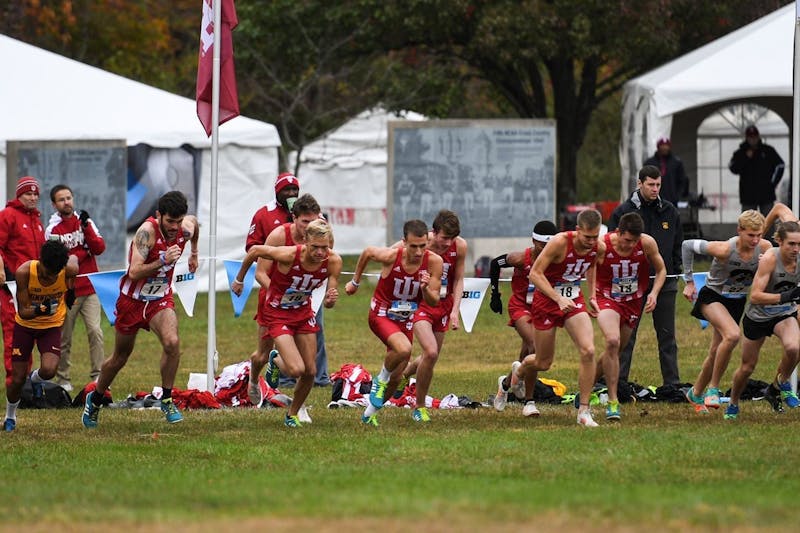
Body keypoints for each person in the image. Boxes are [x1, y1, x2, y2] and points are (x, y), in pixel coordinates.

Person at [81, 191, 199, 428]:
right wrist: (164, 260)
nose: (175, 227)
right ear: (159, 216)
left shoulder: (185, 228)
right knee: (120, 357)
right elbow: (134, 271)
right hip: (132, 301)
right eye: (170, 222)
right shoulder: (147, 233)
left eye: (178, 221)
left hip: (160, 300)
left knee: (172, 342)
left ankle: (166, 399)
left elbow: (195, 225)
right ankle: (94, 399)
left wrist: (193, 252)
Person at [232, 219, 341, 427]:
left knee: (310, 371)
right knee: (296, 370)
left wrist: (330, 299)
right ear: (305, 242)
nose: (320, 253)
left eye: (324, 248)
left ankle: (292, 415)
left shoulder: (334, 261)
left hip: (302, 312)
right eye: (315, 247)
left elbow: (329, 299)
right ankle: (274, 360)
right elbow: (255, 250)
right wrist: (239, 280)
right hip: (277, 313)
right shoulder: (289, 254)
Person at [345, 219, 443, 427]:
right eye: (413, 246)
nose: (418, 252)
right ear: (404, 243)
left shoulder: (434, 262)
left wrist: (425, 288)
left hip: (405, 319)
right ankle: (379, 380)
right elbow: (368, 252)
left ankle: (369, 414)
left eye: (423, 246)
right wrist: (355, 282)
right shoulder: (392, 256)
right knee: (403, 349)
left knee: (398, 377)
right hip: (381, 313)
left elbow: (433, 300)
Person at [513, 209, 602, 427]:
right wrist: (557, 298)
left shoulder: (599, 247)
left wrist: (592, 295)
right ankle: (520, 370)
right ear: (577, 230)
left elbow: (592, 265)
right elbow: (535, 273)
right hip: (546, 301)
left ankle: (584, 411)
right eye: (587, 237)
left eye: (595, 237)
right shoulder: (560, 243)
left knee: (588, 350)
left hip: (573, 300)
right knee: (543, 362)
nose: (591, 242)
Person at [681, 210, 772, 414]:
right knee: (732, 336)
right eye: (750, 235)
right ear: (739, 230)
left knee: (716, 352)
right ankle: (713, 389)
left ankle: (695, 393)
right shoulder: (723, 249)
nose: (755, 240)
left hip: (737, 302)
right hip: (712, 297)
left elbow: (781, 258)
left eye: (759, 235)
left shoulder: (764, 248)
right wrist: (688, 282)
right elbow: (687, 246)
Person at [248, 194, 326, 404]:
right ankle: (255, 378)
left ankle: (298, 408)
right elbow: (261, 274)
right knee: (262, 355)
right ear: (294, 218)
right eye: (305, 222)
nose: (310, 227)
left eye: (314, 221)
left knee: (305, 367)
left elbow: (326, 265)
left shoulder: (322, 236)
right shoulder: (278, 236)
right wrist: (279, 295)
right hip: (272, 301)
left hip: (301, 303)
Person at [609, 165, 683, 386]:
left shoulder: (670, 211)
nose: (655, 189)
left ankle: (672, 384)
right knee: (626, 337)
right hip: (631, 282)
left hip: (665, 281)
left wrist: (675, 270)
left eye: (658, 184)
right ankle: (618, 382)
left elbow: (678, 243)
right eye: (650, 184)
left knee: (667, 336)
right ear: (639, 183)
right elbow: (613, 245)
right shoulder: (622, 212)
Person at [592, 212, 666, 420]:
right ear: (618, 233)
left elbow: (661, 270)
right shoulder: (602, 245)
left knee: (614, 350)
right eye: (626, 241)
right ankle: (613, 402)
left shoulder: (647, 244)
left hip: (633, 302)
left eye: (634, 242)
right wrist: (590, 296)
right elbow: (589, 270)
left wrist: (654, 293)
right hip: (607, 298)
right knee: (612, 341)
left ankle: (586, 388)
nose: (629, 246)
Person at [725, 221, 800, 420]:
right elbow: (755, 296)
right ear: (779, 242)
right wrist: (787, 296)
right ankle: (733, 402)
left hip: (784, 314)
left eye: (799, 244)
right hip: (758, 316)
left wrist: (791, 299)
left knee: (794, 348)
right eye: (791, 244)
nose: (796, 249)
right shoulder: (770, 259)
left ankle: (782, 382)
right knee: (747, 367)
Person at [399, 209, 467, 422]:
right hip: (421, 304)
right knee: (430, 352)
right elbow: (393, 253)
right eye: (445, 238)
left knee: (432, 354)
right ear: (433, 232)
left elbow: (458, 280)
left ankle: (404, 374)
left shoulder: (460, 246)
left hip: (443, 306)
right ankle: (419, 407)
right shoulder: (421, 243)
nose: (448, 243)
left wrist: (455, 311)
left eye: (452, 238)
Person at [4, 240, 78, 431]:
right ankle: (10, 416)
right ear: (40, 261)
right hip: (25, 326)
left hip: (51, 326)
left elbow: (75, 261)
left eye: (52, 275)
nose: (48, 278)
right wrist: (42, 309)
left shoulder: (67, 270)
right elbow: (23, 312)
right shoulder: (25, 272)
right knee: (17, 379)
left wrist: (71, 289)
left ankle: (35, 380)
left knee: (49, 370)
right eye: (45, 273)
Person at [489, 220, 558, 413]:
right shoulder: (521, 259)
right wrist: (495, 295)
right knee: (535, 346)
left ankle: (508, 381)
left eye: (549, 246)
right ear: (534, 242)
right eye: (542, 245)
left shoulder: (555, 260)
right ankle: (529, 402)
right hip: (520, 306)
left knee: (528, 353)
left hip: (542, 308)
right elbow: (495, 264)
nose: (546, 249)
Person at [45, 184, 106, 392]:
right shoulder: (52, 229)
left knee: (96, 332)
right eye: (61, 199)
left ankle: (98, 376)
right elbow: (55, 260)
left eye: (69, 198)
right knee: (64, 337)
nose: (66, 202)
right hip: (67, 291)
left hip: (90, 288)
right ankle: (63, 379)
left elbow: (98, 248)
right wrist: (81, 253)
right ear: (54, 204)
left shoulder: (85, 222)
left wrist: (86, 228)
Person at [0, 176, 45, 387]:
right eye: (29, 193)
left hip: (33, 286)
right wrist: (6, 274)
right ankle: (14, 382)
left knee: (30, 334)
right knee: (13, 334)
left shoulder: (36, 220)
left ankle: (26, 381)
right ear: (19, 195)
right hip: (11, 286)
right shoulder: (7, 215)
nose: (33, 197)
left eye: (36, 194)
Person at [728, 125, 785, 216]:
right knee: (748, 226)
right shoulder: (740, 153)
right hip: (748, 197)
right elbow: (733, 168)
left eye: (755, 136)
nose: (753, 139)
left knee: (768, 223)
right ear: (746, 138)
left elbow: (780, 165)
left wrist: (772, 183)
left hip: (766, 195)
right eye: (750, 137)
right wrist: (745, 157)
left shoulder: (768, 150)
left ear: (758, 136)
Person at [644, 137, 689, 206]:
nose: (665, 148)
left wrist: (678, 195)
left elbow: (682, 180)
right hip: (652, 199)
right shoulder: (649, 162)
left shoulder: (676, 162)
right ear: (658, 147)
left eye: (666, 146)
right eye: (662, 146)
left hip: (671, 199)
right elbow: (644, 180)